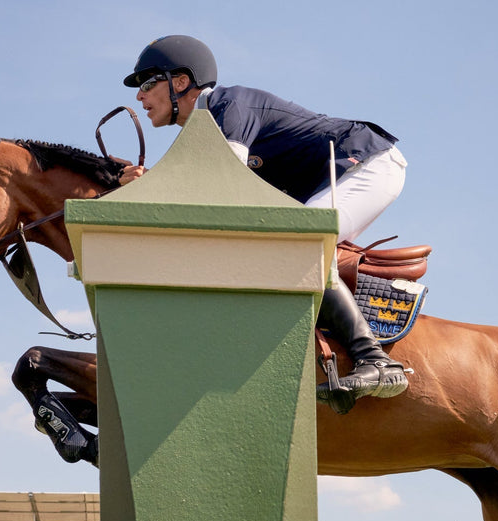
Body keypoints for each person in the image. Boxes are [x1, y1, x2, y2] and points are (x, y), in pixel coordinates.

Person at [121, 35, 409, 404]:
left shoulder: (228, 105)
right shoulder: (203, 132)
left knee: (299, 245)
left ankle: (377, 361)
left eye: (147, 84)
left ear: (180, 82)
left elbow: (220, 189)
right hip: (330, 178)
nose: (139, 97)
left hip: (369, 165)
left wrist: (149, 187)